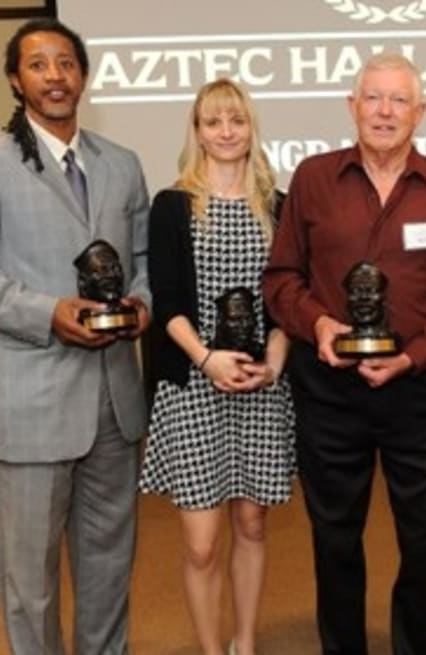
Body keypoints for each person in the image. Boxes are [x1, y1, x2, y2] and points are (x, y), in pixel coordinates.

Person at [0, 18, 150, 655]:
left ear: (84, 76)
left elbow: (143, 261)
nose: (56, 76)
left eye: (66, 64)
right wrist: (48, 313)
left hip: (114, 405)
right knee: (31, 582)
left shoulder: (122, 164)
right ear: (15, 80)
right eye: (39, 64)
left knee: (109, 569)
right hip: (30, 406)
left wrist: (143, 305)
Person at [262, 52, 426, 655]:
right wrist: (317, 324)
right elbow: (281, 279)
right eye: (372, 98)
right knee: (334, 536)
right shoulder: (313, 179)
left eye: (398, 100)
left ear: (420, 112)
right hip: (329, 392)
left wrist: (411, 357)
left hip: (422, 392)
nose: (384, 112)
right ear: (352, 106)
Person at [141, 78, 294, 655]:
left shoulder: (279, 207)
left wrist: (273, 362)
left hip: (260, 387)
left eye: (237, 120)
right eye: (214, 122)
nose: (226, 132)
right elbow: (167, 301)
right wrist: (207, 360)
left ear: (251, 128)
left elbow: (289, 299)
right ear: (198, 132)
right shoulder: (172, 205)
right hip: (194, 387)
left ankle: (244, 643)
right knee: (201, 544)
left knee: (252, 526)